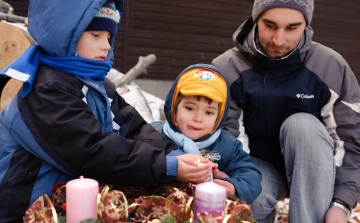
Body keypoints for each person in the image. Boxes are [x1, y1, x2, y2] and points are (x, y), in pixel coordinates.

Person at [0, 1, 215, 222]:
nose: (106, 46)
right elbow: (90, 149)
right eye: (96, 35)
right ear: (66, 36)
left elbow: (134, 129)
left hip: (71, 202)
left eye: (109, 38)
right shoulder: (46, 89)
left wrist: (175, 155)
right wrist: (165, 165)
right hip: (28, 206)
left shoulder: (96, 84)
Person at [212, 0, 360, 223]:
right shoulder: (228, 68)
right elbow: (226, 137)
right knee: (256, 196)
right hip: (257, 167)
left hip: (315, 171)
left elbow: (350, 141)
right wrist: (237, 181)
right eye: (269, 25)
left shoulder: (330, 66)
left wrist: (341, 203)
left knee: (303, 124)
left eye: (292, 28)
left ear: (306, 25)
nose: (278, 40)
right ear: (255, 20)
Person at [151, 63, 262, 204]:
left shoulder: (228, 145)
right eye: (190, 108)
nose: (198, 118)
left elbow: (250, 175)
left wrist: (234, 185)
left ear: (219, 117)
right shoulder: (153, 134)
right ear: (174, 107)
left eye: (209, 112)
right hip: (159, 207)